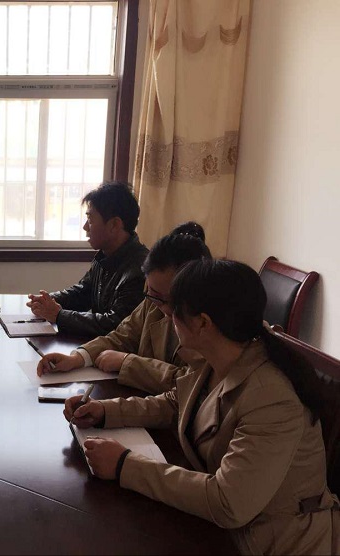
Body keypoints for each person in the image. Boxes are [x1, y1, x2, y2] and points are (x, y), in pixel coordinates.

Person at [64, 259, 338, 555]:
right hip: (226, 528)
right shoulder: (219, 355)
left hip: (272, 540)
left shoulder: (272, 397)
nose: (168, 318)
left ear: (203, 323)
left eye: (175, 311)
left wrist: (123, 465)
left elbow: (228, 502)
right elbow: (176, 403)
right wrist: (105, 411)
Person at [38, 222, 211, 394]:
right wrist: (77, 358)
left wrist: (127, 362)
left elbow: (190, 384)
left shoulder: (206, 321)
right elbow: (122, 336)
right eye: (152, 294)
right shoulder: (152, 302)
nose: (162, 308)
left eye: (169, 300)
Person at [27, 181, 149, 337]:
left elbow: (116, 325)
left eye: (90, 220)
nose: (85, 227)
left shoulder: (140, 269)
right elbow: (82, 293)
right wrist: (47, 301)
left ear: (114, 224)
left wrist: (58, 315)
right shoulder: (105, 256)